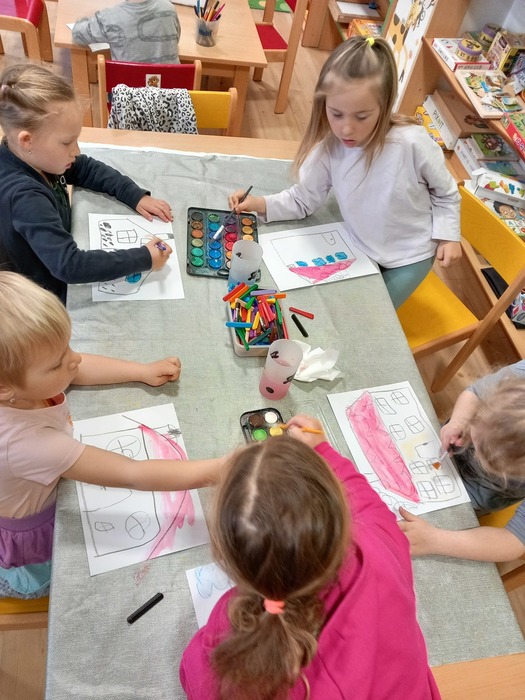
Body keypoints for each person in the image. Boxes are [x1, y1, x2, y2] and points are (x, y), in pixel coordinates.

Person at [180, 415, 440, 699]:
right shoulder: (379, 545)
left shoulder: (233, 625)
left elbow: (195, 676)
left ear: (227, 560)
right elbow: (370, 507)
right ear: (341, 510)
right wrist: (322, 448)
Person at [0, 271, 225, 599]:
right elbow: (132, 473)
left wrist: (141, 371)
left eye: (68, 347)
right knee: (47, 579)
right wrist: (222, 468)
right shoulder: (30, 444)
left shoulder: (24, 382)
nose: (75, 359)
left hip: (27, 478)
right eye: (57, 363)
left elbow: (76, 368)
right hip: (32, 522)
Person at [228, 36, 462, 308]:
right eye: (336, 114)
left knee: (373, 314)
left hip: (410, 256)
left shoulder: (412, 143)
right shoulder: (329, 148)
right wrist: (258, 203)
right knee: (336, 307)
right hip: (360, 246)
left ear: (385, 105)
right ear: (323, 104)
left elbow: (446, 193)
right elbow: (303, 199)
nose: (346, 129)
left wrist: (448, 236)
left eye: (361, 116)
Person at [0, 63, 173, 304]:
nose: (77, 151)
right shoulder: (25, 197)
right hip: (39, 297)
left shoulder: (33, 156)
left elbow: (85, 168)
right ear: (27, 140)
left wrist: (133, 194)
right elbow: (69, 265)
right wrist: (144, 257)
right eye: (66, 143)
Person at [399, 361, 525, 563]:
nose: (473, 452)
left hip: (478, 493)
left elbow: (513, 543)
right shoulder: (518, 379)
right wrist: (460, 422)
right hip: (441, 449)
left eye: (485, 456)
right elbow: (474, 393)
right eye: (478, 423)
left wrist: (435, 540)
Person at [72, 0, 181, 64]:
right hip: (171, 94)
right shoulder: (169, 9)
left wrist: (89, 18)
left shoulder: (110, 17)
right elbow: (176, 39)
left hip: (127, 94)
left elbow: (77, 35)